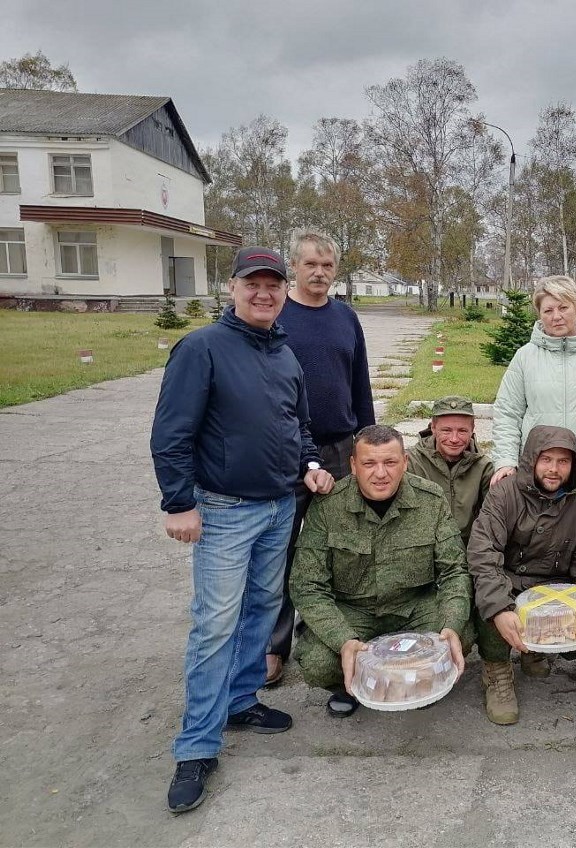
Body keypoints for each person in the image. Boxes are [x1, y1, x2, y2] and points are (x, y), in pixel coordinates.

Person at [151, 246, 335, 814]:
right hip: (225, 511)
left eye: (273, 285)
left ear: (284, 291)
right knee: (215, 624)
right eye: (253, 284)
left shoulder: (284, 353)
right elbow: (171, 431)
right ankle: (197, 746)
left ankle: (240, 700)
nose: (264, 293)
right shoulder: (202, 348)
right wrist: (180, 502)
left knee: (261, 607)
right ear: (232, 288)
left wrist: (309, 465)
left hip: (281, 504)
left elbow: (297, 424)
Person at [489, 275, 576, 677]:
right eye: (548, 309)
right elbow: (507, 413)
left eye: (563, 307)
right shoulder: (525, 357)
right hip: (537, 478)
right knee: (536, 557)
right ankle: (537, 633)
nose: (556, 316)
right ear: (539, 313)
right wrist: (505, 460)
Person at [289, 425, 473, 718]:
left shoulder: (431, 499)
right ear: (353, 465)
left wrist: (451, 623)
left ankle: (416, 681)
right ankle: (353, 685)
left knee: (458, 634)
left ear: (405, 462)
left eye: (390, 462)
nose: (380, 473)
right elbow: (307, 585)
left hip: (414, 606)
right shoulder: (328, 505)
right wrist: (344, 640)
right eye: (369, 463)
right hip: (354, 611)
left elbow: (454, 572)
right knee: (318, 662)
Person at [265, 228, 376, 686]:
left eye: (327, 265)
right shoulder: (275, 315)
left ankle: (330, 635)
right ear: (294, 266)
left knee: (340, 548)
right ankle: (274, 645)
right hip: (286, 448)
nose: (319, 273)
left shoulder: (345, 318)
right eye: (310, 264)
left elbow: (360, 384)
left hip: (341, 447)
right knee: (282, 549)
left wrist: (368, 441)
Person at [467, 425, 576, 725]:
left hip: (553, 587)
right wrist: (499, 608)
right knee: (487, 600)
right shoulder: (503, 495)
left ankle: (535, 648)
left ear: (574, 466)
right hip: (510, 581)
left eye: (563, 461)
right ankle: (496, 669)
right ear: (531, 460)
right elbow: (483, 554)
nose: (554, 469)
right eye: (546, 459)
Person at [407, 395, 495, 544]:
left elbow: (492, 521)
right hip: (424, 547)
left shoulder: (484, 468)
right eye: (446, 430)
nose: (454, 439)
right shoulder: (411, 462)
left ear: (472, 430)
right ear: (433, 428)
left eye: (462, 431)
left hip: (469, 548)